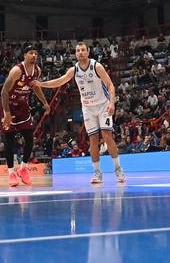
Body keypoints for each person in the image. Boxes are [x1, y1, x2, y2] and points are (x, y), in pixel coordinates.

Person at [38, 42, 126, 184]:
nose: (80, 52)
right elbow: (60, 81)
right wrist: (41, 84)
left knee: (107, 136)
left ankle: (118, 169)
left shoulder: (96, 66)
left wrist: (111, 103)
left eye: (83, 50)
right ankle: (97, 173)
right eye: (78, 50)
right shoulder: (74, 70)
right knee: (93, 140)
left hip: (103, 105)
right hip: (88, 108)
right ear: (75, 53)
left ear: (88, 51)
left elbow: (110, 85)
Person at [0, 47, 50, 187]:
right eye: (31, 53)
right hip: (8, 105)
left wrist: (45, 103)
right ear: (24, 55)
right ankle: (11, 173)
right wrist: (7, 114)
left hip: (23, 106)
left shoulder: (37, 71)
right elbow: (4, 92)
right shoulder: (17, 71)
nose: (34, 55)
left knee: (29, 138)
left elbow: (35, 87)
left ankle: (23, 168)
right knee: (9, 141)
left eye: (36, 53)